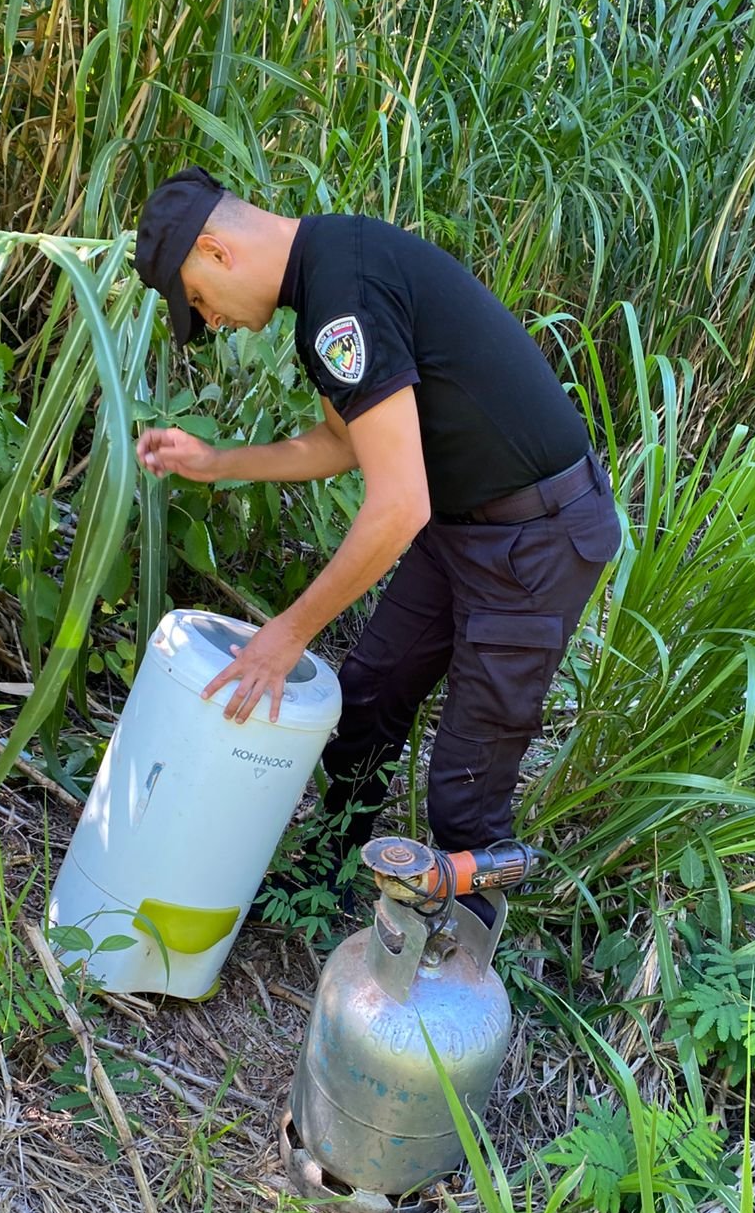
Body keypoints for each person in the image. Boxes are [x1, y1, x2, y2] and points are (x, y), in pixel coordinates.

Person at [133, 165, 621, 878]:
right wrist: (219, 462)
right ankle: (324, 881)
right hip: (462, 527)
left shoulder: (343, 300)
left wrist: (288, 634)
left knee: (467, 776)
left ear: (215, 248)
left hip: (536, 538)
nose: (213, 321)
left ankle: (458, 956)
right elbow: (340, 446)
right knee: (366, 698)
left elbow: (399, 505)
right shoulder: (327, 281)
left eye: (201, 302)